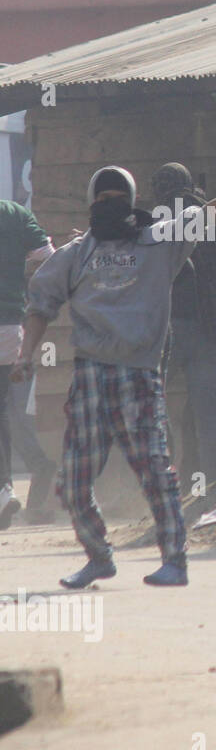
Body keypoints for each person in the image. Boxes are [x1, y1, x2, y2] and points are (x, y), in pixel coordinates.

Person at [13, 157, 216, 588]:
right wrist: (26, 353)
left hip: (137, 375)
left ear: (132, 201)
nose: (110, 203)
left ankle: (174, 559)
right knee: (74, 481)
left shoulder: (161, 241)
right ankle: (99, 557)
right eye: (103, 198)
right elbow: (39, 305)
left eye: (117, 197)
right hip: (89, 378)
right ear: (92, 202)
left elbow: (213, 210)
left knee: (156, 473)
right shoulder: (75, 254)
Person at [150, 163, 216, 484]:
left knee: (150, 402)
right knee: (208, 411)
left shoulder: (163, 217)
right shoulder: (213, 219)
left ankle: (163, 478)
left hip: (171, 328)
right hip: (213, 332)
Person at [0, 199, 54, 528]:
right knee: (9, 413)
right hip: (10, 329)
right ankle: (5, 489)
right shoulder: (16, 214)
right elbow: (49, 255)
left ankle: (6, 488)